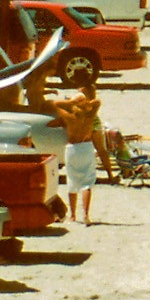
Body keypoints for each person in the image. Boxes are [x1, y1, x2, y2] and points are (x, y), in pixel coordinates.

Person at [52, 71, 103, 224]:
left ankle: (73, 215)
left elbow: (54, 104)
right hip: (86, 146)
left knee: (72, 182)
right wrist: (84, 100)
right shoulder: (90, 115)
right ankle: (86, 214)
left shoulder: (69, 117)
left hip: (72, 149)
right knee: (87, 182)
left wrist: (71, 102)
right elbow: (97, 102)